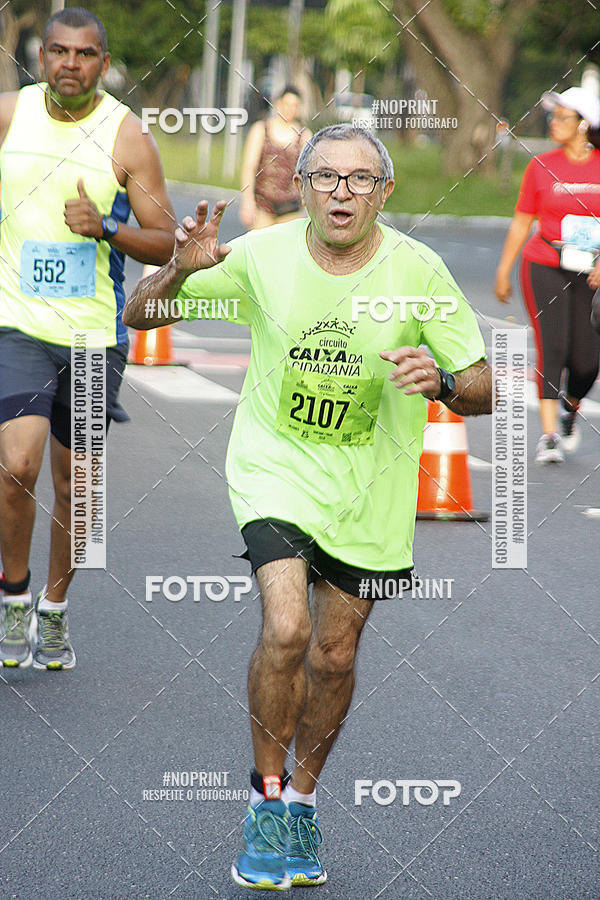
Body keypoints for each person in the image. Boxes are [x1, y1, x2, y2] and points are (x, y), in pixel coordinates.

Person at [124, 124, 492, 891]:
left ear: (385, 192)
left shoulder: (418, 272)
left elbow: (485, 384)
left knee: (333, 655)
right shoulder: (262, 255)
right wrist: (176, 271)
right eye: (325, 176)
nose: (341, 192)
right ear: (301, 187)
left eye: (360, 179)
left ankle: (301, 800)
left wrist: (445, 382)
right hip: (275, 470)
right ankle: (265, 802)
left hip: (370, 488)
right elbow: (140, 317)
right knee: (287, 627)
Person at [0, 7, 175, 670]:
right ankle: (14, 594)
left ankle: (54, 607)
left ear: (103, 62)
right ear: (40, 56)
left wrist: (105, 227)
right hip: (16, 324)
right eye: (58, 51)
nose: (69, 63)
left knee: (77, 488)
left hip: (92, 339)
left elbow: (166, 240)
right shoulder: (9, 116)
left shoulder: (127, 136)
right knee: (17, 463)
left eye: (84, 53)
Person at [495, 86, 600, 464]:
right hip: (544, 263)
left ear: (584, 124)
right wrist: (503, 270)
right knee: (552, 346)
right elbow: (522, 221)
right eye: (552, 116)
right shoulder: (541, 165)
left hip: (592, 272)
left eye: (562, 117)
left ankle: (571, 407)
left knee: (587, 361)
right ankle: (549, 435)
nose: (553, 122)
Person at [240, 85, 312, 230]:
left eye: (294, 106)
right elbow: (249, 167)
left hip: (290, 208)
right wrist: (247, 201)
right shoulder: (261, 130)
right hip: (263, 205)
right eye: (287, 104)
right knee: (260, 242)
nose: (290, 109)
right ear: (279, 104)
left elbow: (308, 174)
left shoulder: (304, 136)